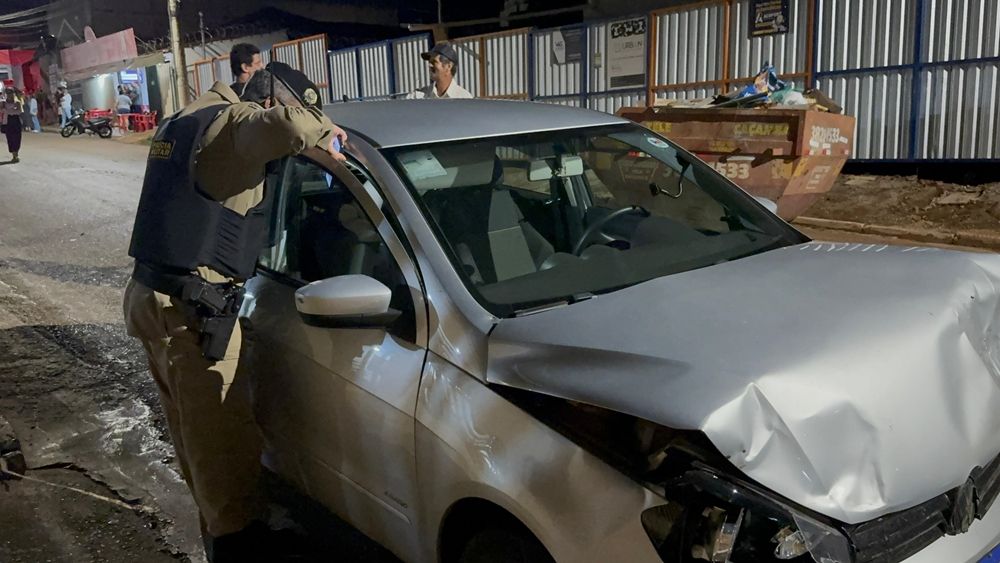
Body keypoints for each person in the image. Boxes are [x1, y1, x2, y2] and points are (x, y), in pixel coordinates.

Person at [122, 63, 347, 563]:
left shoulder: (188, 116)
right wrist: (324, 128)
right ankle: (238, 547)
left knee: (197, 444)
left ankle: (222, 531)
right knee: (223, 449)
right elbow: (289, 128)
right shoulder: (236, 122)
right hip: (192, 312)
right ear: (270, 103)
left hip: (156, 296)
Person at [407, 42, 473, 99]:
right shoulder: (418, 97)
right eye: (429, 62)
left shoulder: (463, 98)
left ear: (448, 66)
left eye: (434, 62)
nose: (429, 65)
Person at [1, 88, 23, 162]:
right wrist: (12, 111)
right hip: (7, 122)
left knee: (17, 138)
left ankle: (16, 153)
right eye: (8, 93)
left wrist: (9, 111)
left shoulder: (17, 102)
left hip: (16, 121)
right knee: (10, 138)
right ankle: (14, 155)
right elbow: (2, 111)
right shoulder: (3, 103)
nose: (10, 95)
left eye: (11, 93)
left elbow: (19, 111)